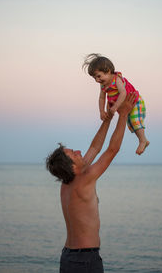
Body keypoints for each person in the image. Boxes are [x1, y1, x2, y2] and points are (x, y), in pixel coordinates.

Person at [46, 93, 136, 273]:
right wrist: (124, 114)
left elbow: (95, 147)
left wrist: (108, 118)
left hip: (70, 257)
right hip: (85, 260)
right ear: (71, 166)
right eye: (74, 154)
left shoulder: (68, 182)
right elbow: (112, 150)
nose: (80, 151)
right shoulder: (83, 179)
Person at [83, 53, 150, 155]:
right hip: (123, 105)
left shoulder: (116, 79)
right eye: (94, 78)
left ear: (108, 71)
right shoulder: (103, 85)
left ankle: (143, 140)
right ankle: (143, 140)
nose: (97, 80)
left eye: (99, 76)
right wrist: (102, 111)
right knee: (130, 124)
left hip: (135, 101)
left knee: (135, 121)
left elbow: (123, 93)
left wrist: (115, 107)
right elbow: (101, 98)